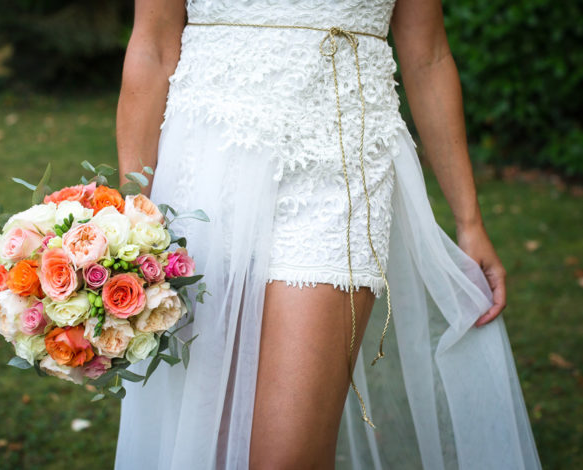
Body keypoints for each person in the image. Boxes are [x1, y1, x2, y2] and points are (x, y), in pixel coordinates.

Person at [114, 1, 542, 469]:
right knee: (206, 444)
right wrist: (131, 216)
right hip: (207, 167)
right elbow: (152, 46)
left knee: (286, 456)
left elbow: (429, 56)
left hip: (339, 167)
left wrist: (470, 221)